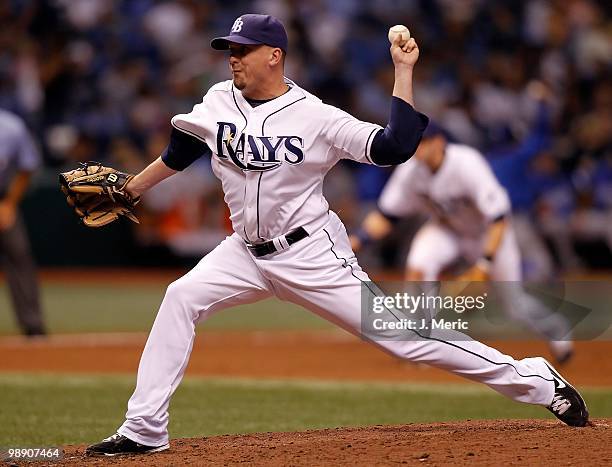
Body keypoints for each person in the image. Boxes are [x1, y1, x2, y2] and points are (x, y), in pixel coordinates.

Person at [85, 14, 588, 457]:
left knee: (405, 341)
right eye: (229, 50)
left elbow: (394, 146)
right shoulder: (218, 98)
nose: (232, 59)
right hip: (242, 251)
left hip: (311, 253)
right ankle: (144, 429)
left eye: (242, 50)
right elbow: (183, 146)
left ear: (274, 56)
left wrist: (403, 72)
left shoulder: (316, 116)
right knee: (180, 297)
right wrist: (131, 188)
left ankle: (534, 378)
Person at [350, 123, 574, 365]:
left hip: (488, 233)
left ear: (439, 142)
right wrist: (358, 241)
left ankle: (558, 331)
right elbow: (387, 215)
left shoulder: (467, 163)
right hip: (449, 230)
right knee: (419, 265)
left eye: (422, 142)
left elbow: (498, 219)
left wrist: (484, 265)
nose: (417, 148)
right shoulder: (410, 170)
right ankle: (418, 341)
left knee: (514, 304)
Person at [0, 109, 46, 337]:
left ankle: (33, 325)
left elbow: (27, 166)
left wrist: (9, 204)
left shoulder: (11, 126)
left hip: (2, 201)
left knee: (20, 257)